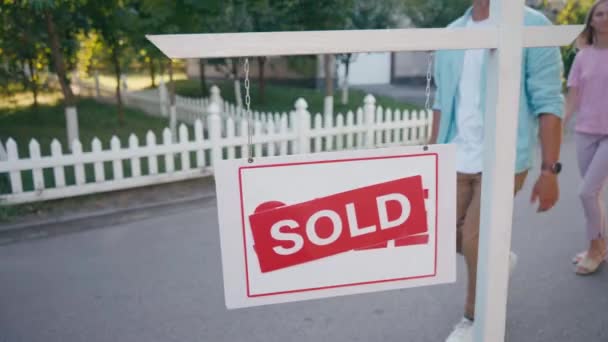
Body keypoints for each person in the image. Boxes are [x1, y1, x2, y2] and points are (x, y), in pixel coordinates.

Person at [428, 1, 564, 341]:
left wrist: (550, 171)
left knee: (476, 239)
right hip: (456, 154)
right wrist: (431, 154)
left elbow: (549, 102)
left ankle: (474, 321)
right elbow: (441, 103)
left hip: (504, 158)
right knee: (439, 235)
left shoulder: (532, 27)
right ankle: (497, 259)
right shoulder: (452, 34)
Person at [564, 0, 608, 276]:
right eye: (600, 13)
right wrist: (557, 127)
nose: (605, 18)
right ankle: (599, 245)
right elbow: (572, 98)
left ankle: (595, 248)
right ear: (591, 21)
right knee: (594, 194)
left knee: (586, 192)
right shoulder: (582, 57)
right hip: (584, 133)